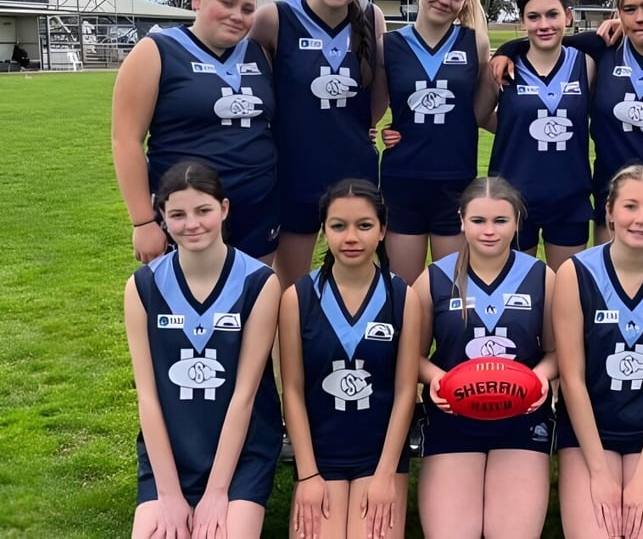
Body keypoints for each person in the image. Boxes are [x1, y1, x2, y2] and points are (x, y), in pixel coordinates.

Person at [492, 0, 643, 275]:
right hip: (613, 194)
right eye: (629, 9)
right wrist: (505, 50)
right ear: (618, 13)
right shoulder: (604, 48)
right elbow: (548, 38)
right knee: (608, 297)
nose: (640, 17)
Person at [123, 161, 282, 538]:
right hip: (172, 453)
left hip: (242, 453)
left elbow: (245, 396)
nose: (191, 224)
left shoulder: (260, 283)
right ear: (161, 216)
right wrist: (169, 494)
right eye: (177, 214)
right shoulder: (143, 286)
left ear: (223, 209)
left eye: (203, 210)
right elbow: (147, 396)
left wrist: (217, 492)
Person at [553, 164, 643, 539]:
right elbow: (571, 379)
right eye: (630, 206)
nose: (641, 219)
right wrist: (598, 472)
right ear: (610, 212)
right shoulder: (575, 273)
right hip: (589, 432)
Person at [414, 177, 557, 539]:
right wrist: (436, 379)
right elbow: (410, 357)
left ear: (518, 223)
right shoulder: (435, 278)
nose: (489, 231)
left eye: (500, 221)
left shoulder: (542, 276)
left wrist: (540, 376)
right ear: (461, 221)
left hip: (521, 418)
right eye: (478, 221)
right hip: (454, 417)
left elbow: (560, 352)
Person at [278, 179, 419, 539]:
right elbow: (292, 391)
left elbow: (406, 391)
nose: (351, 237)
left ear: (383, 230)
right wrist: (307, 475)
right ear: (324, 230)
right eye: (338, 226)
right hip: (320, 456)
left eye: (365, 225)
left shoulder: (403, 296)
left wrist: (387, 474)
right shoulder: (298, 298)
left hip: (380, 456)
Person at [113, 0, 278, 264]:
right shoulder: (156, 50)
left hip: (257, 208)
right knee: (186, 306)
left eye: (246, 9)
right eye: (227, 2)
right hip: (188, 216)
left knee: (254, 304)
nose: (236, 16)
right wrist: (143, 222)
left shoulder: (260, 52)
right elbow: (126, 140)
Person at [250, 0, 387, 288]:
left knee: (355, 284)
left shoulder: (372, 18)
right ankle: (290, 347)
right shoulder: (274, 18)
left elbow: (380, 91)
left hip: (354, 170)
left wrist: (356, 127)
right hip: (295, 172)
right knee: (290, 289)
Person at [378, 0, 496, 284]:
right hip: (403, 180)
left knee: (452, 295)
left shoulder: (476, 44)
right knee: (403, 294)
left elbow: (478, 112)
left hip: (455, 180)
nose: (445, 0)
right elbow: (372, 111)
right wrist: (385, 129)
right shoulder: (388, 45)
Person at [485, 0, 595, 269]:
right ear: (522, 21)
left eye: (552, 14)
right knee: (517, 295)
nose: (543, 24)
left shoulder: (587, 62)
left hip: (569, 198)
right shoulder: (503, 68)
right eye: (533, 17)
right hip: (512, 197)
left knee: (569, 293)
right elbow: (479, 116)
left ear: (568, 16)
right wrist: (522, 129)